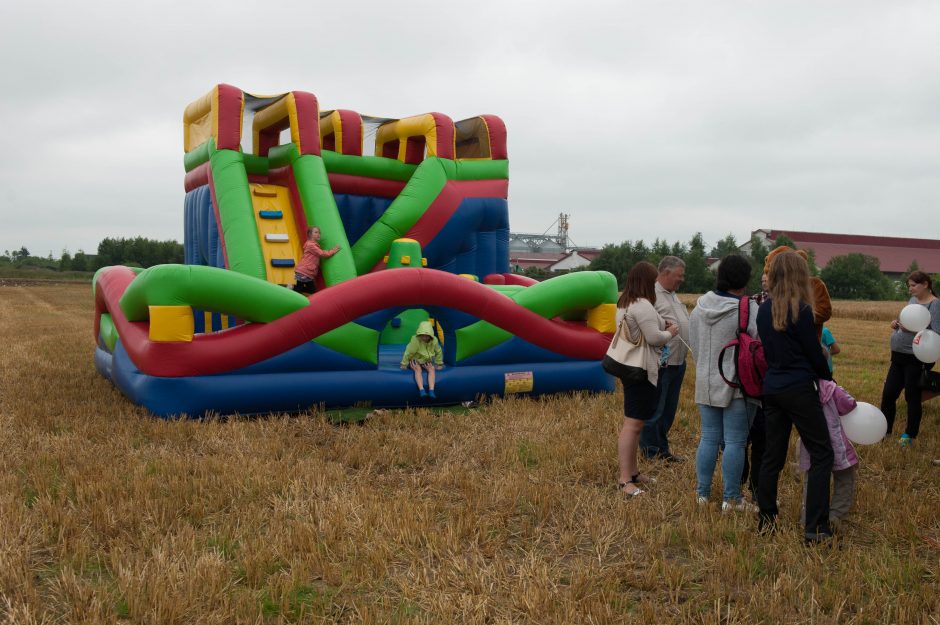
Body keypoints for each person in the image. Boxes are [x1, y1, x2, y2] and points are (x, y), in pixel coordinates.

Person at [756, 250, 834, 544]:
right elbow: (814, 355)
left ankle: (766, 519)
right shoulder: (801, 310)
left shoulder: (763, 310)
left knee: (771, 457)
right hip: (799, 388)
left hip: (772, 387)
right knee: (822, 454)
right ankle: (816, 528)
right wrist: (828, 379)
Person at [689, 254, 759, 513]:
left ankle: (702, 494)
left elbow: (694, 346)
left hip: (706, 381)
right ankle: (731, 499)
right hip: (736, 385)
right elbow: (757, 347)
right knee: (735, 442)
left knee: (708, 438)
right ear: (744, 279)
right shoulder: (748, 308)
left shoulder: (698, 308)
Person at [614, 262, 679, 497]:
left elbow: (641, 329)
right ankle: (625, 480)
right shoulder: (643, 305)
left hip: (630, 369)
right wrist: (670, 332)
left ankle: (633, 472)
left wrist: (661, 324)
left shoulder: (625, 303)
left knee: (636, 423)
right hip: (641, 371)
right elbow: (654, 338)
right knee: (632, 426)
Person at [640, 256, 691, 463]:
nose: (681, 280)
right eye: (679, 276)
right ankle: (650, 453)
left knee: (668, 411)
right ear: (665, 273)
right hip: (661, 363)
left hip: (678, 362)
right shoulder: (650, 295)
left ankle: (662, 450)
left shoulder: (673, 295)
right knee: (655, 410)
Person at [880, 270, 940, 445]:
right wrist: (896, 324)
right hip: (898, 355)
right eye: (909, 286)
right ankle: (885, 430)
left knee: (912, 396)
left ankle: (909, 435)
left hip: (916, 357)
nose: (910, 289)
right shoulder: (913, 301)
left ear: (925, 284)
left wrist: (913, 330)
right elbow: (906, 320)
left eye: (913, 285)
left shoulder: (935, 305)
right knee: (889, 394)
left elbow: (936, 332)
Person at [799, 380, 859, 532]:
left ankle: (807, 517)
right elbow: (850, 404)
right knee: (845, 479)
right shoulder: (832, 389)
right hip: (836, 444)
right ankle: (836, 516)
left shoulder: (799, 388)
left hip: (811, 445)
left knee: (811, 481)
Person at [400, 320, 444, 398]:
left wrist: (439, 363)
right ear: (419, 334)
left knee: (432, 369)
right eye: (422, 335)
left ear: (430, 335)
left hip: (426, 360)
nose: (424, 337)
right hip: (415, 360)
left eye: (426, 336)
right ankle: (421, 390)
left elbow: (438, 351)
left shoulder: (434, 341)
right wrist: (404, 364)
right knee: (418, 369)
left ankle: (431, 390)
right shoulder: (416, 341)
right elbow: (408, 352)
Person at [293, 226, 340, 294]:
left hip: (307, 272)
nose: (318, 234)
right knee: (302, 290)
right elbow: (322, 253)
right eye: (316, 232)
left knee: (310, 290)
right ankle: (287, 288)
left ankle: (290, 287)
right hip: (304, 271)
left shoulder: (313, 244)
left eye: (319, 233)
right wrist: (333, 250)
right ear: (310, 234)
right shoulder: (311, 245)